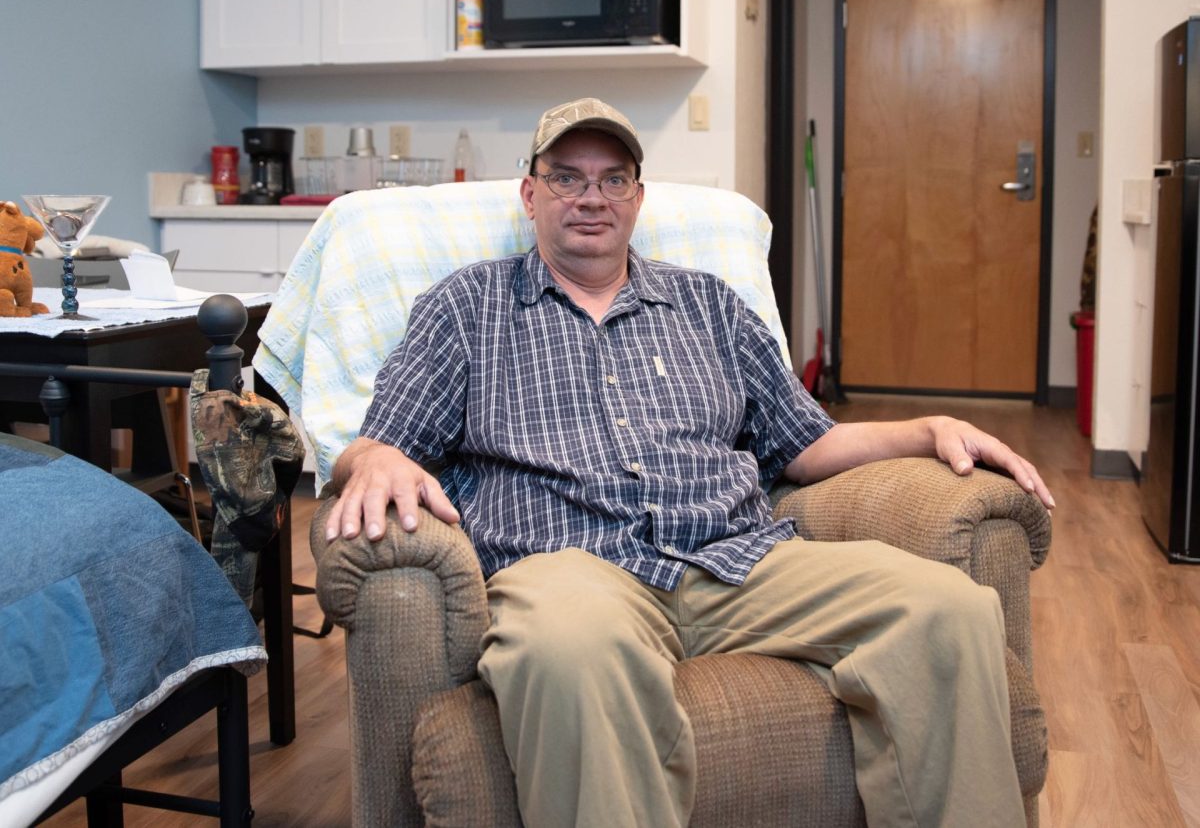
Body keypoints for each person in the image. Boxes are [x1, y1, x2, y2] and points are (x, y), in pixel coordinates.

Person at [326, 97, 1055, 827]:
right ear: (530, 193)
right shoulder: (467, 307)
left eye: (613, 180)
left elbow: (805, 446)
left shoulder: (707, 303)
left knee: (948, 608)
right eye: (566, 178)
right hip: (571, 566)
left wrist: (926, 428)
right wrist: (370, 458)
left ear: (638, 198)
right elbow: (377, 445)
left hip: (740, 560)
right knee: (569, 648)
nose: (591, 198)